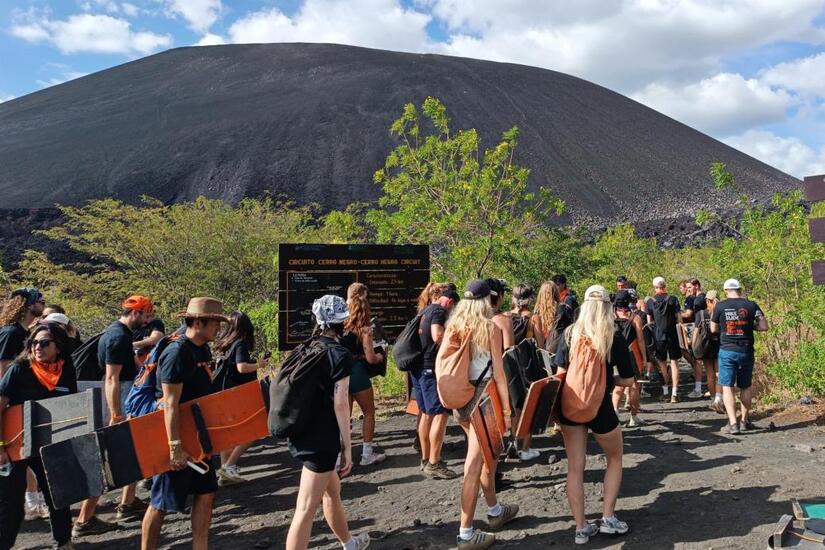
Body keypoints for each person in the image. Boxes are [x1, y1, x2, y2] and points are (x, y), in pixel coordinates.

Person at [284, 295, 370, 550]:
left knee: (332, 492)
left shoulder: (305, 348)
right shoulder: (338, 354)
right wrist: (346, 445)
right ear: (341, 324)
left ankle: (349, 543)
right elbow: (341, 403)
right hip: (321, 440)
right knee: (305, 508)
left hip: (303, 430)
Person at [141, 297, 225, 550]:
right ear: (197, 323)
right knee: (161, 502)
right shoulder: (177, 353)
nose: (218, 329)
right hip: (176, 438)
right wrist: (174, 446)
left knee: (206, 493)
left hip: (200, 438)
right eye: (214, 324)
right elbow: (169, 403)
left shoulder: (202, 348)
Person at [554, 285, 635, 545]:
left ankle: (580, 527)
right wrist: (608, 380)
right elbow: (629, 379)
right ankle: (608, 517)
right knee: (614, 458)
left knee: (575, 467)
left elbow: (559, 373)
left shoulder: (569, 333)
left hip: (571, 407)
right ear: (608, 307)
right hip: (601, 407)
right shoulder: (613, 335)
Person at [74, 295, 154, 537]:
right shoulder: (117, 337)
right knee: (106, 457)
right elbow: (111, 378)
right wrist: (116, 414)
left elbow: (131, 368)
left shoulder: (119, 333)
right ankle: (84, 519)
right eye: (147, 315)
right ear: (136, 313)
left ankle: (128, 502)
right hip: (119, 402)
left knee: (134, 451)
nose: (149, 320)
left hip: (126, 397)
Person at [447, 279, 518, 549]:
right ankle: (465, 533)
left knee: (487, 457)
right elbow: (499, 374)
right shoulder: (489, 328)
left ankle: (495, 510)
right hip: (483, 401)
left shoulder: (454, 326)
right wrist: (508, 412)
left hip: (461, 400)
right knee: (475, 464)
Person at [0, 322, 77, 550]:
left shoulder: (67, 369)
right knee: (11, 505)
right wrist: (0, 447)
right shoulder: (19, 370)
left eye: (44, 343)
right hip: (15, 446)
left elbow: (71, 405)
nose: (37, 347)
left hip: (50, 444)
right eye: (33, 342)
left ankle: (63, 543)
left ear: (58, 347)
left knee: (58, 495)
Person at [0, 288, 49, 522]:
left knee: (25, 457)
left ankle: (31, 503)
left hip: (19, 403)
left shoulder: (23, 332)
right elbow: (3, 371)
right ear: (28, 305)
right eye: (39, 301)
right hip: (8, 404)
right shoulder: (11, 333)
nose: (43, 303)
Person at [213, 311, 268, 486]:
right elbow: (242, 367)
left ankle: (225, 472)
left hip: (224, 393)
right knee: (256, 428)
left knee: (229, 434)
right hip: (238, 394)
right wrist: (259, 364)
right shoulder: (240, 344)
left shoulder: (225, 343)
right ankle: (228, 465)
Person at [413, 285, 459, 479]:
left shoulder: (425, 310)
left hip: (417, 368)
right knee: (440, 414)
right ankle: (434, 462)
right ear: (449, 302)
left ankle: (425, 459)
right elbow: (437, 335)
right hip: (429, 369)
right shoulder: (440, 311)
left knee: (425, 413)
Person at [710, 280, 768, 435]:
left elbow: (713, 328)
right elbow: (764, 326)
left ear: (725, 290)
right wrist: (751, 326)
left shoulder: (720, 306)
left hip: (727, 350)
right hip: (746, 350)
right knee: (746, 385)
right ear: (740, 290)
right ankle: (744, 420)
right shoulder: (751, 305)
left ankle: (733, 423)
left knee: (727, 386)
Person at [341, 283, 386, 467]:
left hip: (341, 373)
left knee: (344, 417)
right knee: (368, 413)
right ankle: (367, 454)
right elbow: (370, 358)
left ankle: (340, 458)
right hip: (358, 371)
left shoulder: (338, 321)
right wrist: (380, 356)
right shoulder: (363, 326)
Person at [611, 290, 647, 427]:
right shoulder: (634, 317)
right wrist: (644, 358)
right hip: (631, 353)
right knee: (634, 385)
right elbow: (641, 340)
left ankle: (615, 414)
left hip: (614, 353)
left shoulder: (610, 316)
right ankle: (633, 417)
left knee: (617, 385)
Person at [646, 277, 681, 403]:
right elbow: (679, 318)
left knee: (662, 364)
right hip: (672, 334)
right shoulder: (673, 299)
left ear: (654, 287)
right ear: (665, 286)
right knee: (674, 363)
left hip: (658, 335)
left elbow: (649, 322)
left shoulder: (650, 302)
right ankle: (675, 393)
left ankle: (666, 391)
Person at [680, 279, 705, 399]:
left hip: (698, 330)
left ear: (696, 286)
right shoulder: (699, 298)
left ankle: (699, 388)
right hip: (700, 330)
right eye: (687, 288)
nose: (688, 290)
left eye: (689, 287)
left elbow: (691, 315)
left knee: (697, 360)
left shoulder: (698, 300)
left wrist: (677, 314)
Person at [532, 281, 574, 353]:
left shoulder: (535, 313)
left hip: (540, 351)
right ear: (556, 293)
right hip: (558, 351)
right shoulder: (563, 309)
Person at [702, 290, 723, 413]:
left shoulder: (702, 313)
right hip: (721, 344)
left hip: (707, 345)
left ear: (707, 301)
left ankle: (714, 398)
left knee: (710, 373)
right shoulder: (722, 311)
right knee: (719, 373)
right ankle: (720, 399)